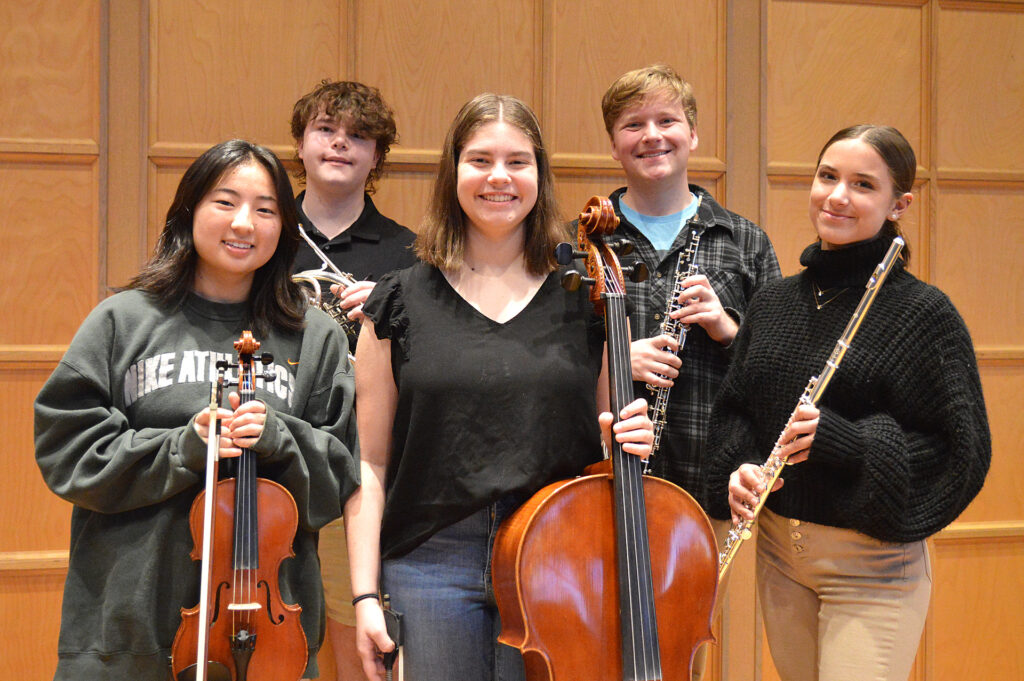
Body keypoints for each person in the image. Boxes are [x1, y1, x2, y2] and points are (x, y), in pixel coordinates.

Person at [343, 93, 655, 681]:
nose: (499, 178)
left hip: (558, 555)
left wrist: (631, 436)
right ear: (452, 171)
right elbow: (372, 462)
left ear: (539, 173)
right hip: (429, 559)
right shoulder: (396, 300)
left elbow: (615, 441)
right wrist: (364, 597)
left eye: (518, 161)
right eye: (480, 160)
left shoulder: (590, 296)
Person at [34, 139, 360, 681]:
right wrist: (182, 448)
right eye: (224, 202)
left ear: (284, 227)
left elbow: (339, 474)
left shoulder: (315, 336)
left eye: (265, 209)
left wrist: (279, 437)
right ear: (189, 211)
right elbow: (68, 451)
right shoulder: (123, 321)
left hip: (264, 639)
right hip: (127, 628)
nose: (244, 224)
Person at [704, 125, 991, 681]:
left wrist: (850, 442)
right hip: (781, 555)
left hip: (873, 566)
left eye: (863, 184)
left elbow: (961, 454)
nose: (837, 196)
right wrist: (737, 468)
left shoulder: (924, 314)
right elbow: (738, 409)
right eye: (827, 176)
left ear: (898, 204)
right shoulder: (775, 302)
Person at [600, 64, 781, 679]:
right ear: (614, 141)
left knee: (682, 653)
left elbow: (781, 370)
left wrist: (729, 331)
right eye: (634, 124)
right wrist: (618, 357)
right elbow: (544, 354)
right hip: (604, 483)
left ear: (693, 133)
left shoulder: (744, 242)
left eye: (667, 120)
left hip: (707, 489)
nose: (652, 135)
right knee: (596, 642)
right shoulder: (584, 241)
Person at [289, 79, 416, 679]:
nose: (340, 145)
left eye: (358, 137)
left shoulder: (411, 254)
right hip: (269, 463)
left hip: (357, 468)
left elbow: (431, 367)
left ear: (376, 156)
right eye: (325, 130)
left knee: (353, 638)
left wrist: (386, 321)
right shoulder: (258, 230)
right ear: (300, 143)